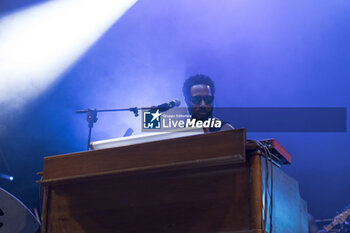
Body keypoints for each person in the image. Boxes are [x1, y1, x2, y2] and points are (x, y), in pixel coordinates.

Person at [182, 74, 261, 154]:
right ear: (187, 101)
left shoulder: (226, 130)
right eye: (197, 99)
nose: (203, 104)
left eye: (207, 99)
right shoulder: (180, 135)